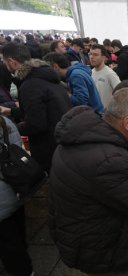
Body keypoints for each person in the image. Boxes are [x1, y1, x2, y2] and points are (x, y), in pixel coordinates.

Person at [49, 89, 128, 276]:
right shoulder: (108, 160)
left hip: (85, 234)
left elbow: (121, 158)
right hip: (104, 251)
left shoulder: (88, 135)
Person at [0, 43, 72, 172]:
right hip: (62, 141)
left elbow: (36, 124)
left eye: (4, 61)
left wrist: (13, 130)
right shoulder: (44, 77)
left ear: (12, 62)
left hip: (49, 149)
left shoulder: (30, 85)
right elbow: (42, 109)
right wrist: (11, 111)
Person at [0, 116, 33, 276]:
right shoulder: (5, 121)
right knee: (18, 234)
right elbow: (16, 147)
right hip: (15, 188)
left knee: (8, 243)